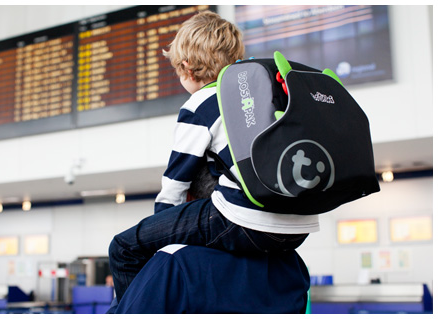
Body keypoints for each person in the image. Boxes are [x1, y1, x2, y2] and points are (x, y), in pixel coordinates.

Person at [108, 10, 319, 305]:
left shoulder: (201, 103)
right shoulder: (265, 97)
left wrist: (162, 231)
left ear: (186, 68)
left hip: (244, 219)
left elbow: (175, 182)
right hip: (297, 228)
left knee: (123, 248)